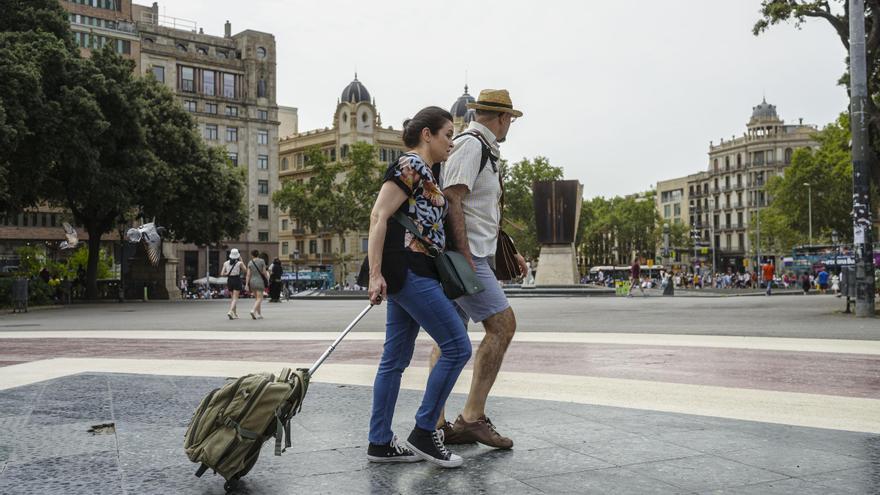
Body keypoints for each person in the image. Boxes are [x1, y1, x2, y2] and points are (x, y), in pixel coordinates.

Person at [366, 106, 471, 468]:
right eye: (447, 135)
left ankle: (379, 442)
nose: (451, 143)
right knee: (457, 347)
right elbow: (379, 215)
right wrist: (375, 274)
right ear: (427, 135)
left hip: (412, 269)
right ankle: (425, 430)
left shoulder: (427, 171)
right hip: (409, 270)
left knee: (394, 360)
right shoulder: (409, 166)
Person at [426, 89, 526, 451]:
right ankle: (471, 418)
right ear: (501, 118)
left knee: (448, 334)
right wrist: (466, 257)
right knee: (502, 325)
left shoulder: (481, 148)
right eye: (510, 119)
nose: (510, 125)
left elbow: (480, 210)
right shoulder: (472, 145)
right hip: (466, 259)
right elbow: (452, 199)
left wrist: (507, 251)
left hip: (472, 254)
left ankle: (435, 422)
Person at [244, 249, 269, 319]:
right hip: (260, 281)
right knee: (260, 299)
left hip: (252, 281)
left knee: (257, 299)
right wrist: (267, 279)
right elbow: (264, 272)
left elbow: (248, 274)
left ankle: (259, 314)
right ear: (258, 254)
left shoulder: (250, 262)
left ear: (252, 255)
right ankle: (253, 310)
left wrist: (246, 284)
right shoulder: (262, 261)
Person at [221, 249, 244, 319]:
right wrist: (241, 260)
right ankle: (230, 311)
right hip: (237, 279)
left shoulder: (225, 263)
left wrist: (227, 273)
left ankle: (235, 313)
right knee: (235, 298)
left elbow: (222, 274)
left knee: (233, 298)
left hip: (230, 280)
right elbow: (245, 270)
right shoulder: (239, 263)